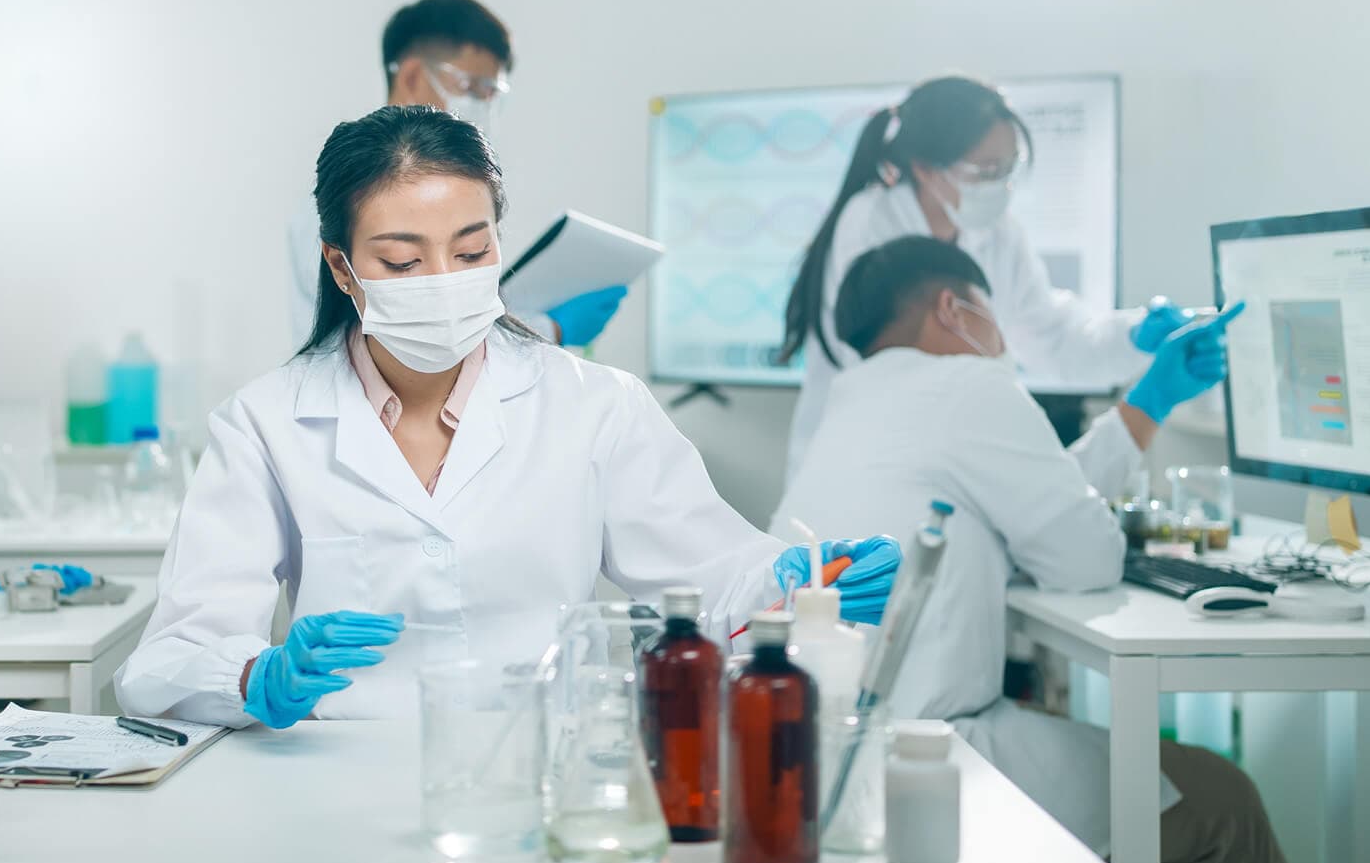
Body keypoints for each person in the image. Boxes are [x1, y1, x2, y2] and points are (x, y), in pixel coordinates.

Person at [126, 105, 895, 727]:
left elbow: (712, 576)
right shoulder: (264, 423)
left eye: (470, 252)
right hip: (338, 781)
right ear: (342, 268)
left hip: (544, 770)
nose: (442, 281)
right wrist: (257, 674)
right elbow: (170, 655)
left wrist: (801, 580)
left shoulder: (595, 405)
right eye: (402, 262)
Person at [775, 236, 1301, 863]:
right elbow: (1083, 556)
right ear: (953, 309)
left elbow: (1035, 493)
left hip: (813, 762)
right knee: (1221, 802)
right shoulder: (967, 386)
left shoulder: (851, 405)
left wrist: (1149, 402)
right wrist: (1148, 403)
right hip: (930, 752)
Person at [776, 75, 1193, 487]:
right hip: (862, 469)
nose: (1002, 185)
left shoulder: (998, 232)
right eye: (986, 170)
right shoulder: (871, 228)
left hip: (949, 466)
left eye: (1010, 166)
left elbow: (1047, 333)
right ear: (924, 168)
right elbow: (897, 375)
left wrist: (1133, 337)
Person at [283, 0, 628, 352]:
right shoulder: (346, 193)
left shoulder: (468, 185)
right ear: (414, 76)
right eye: (473, 88)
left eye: (471, 253)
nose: (484, 106)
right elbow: (414, 338)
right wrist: (549, 329)